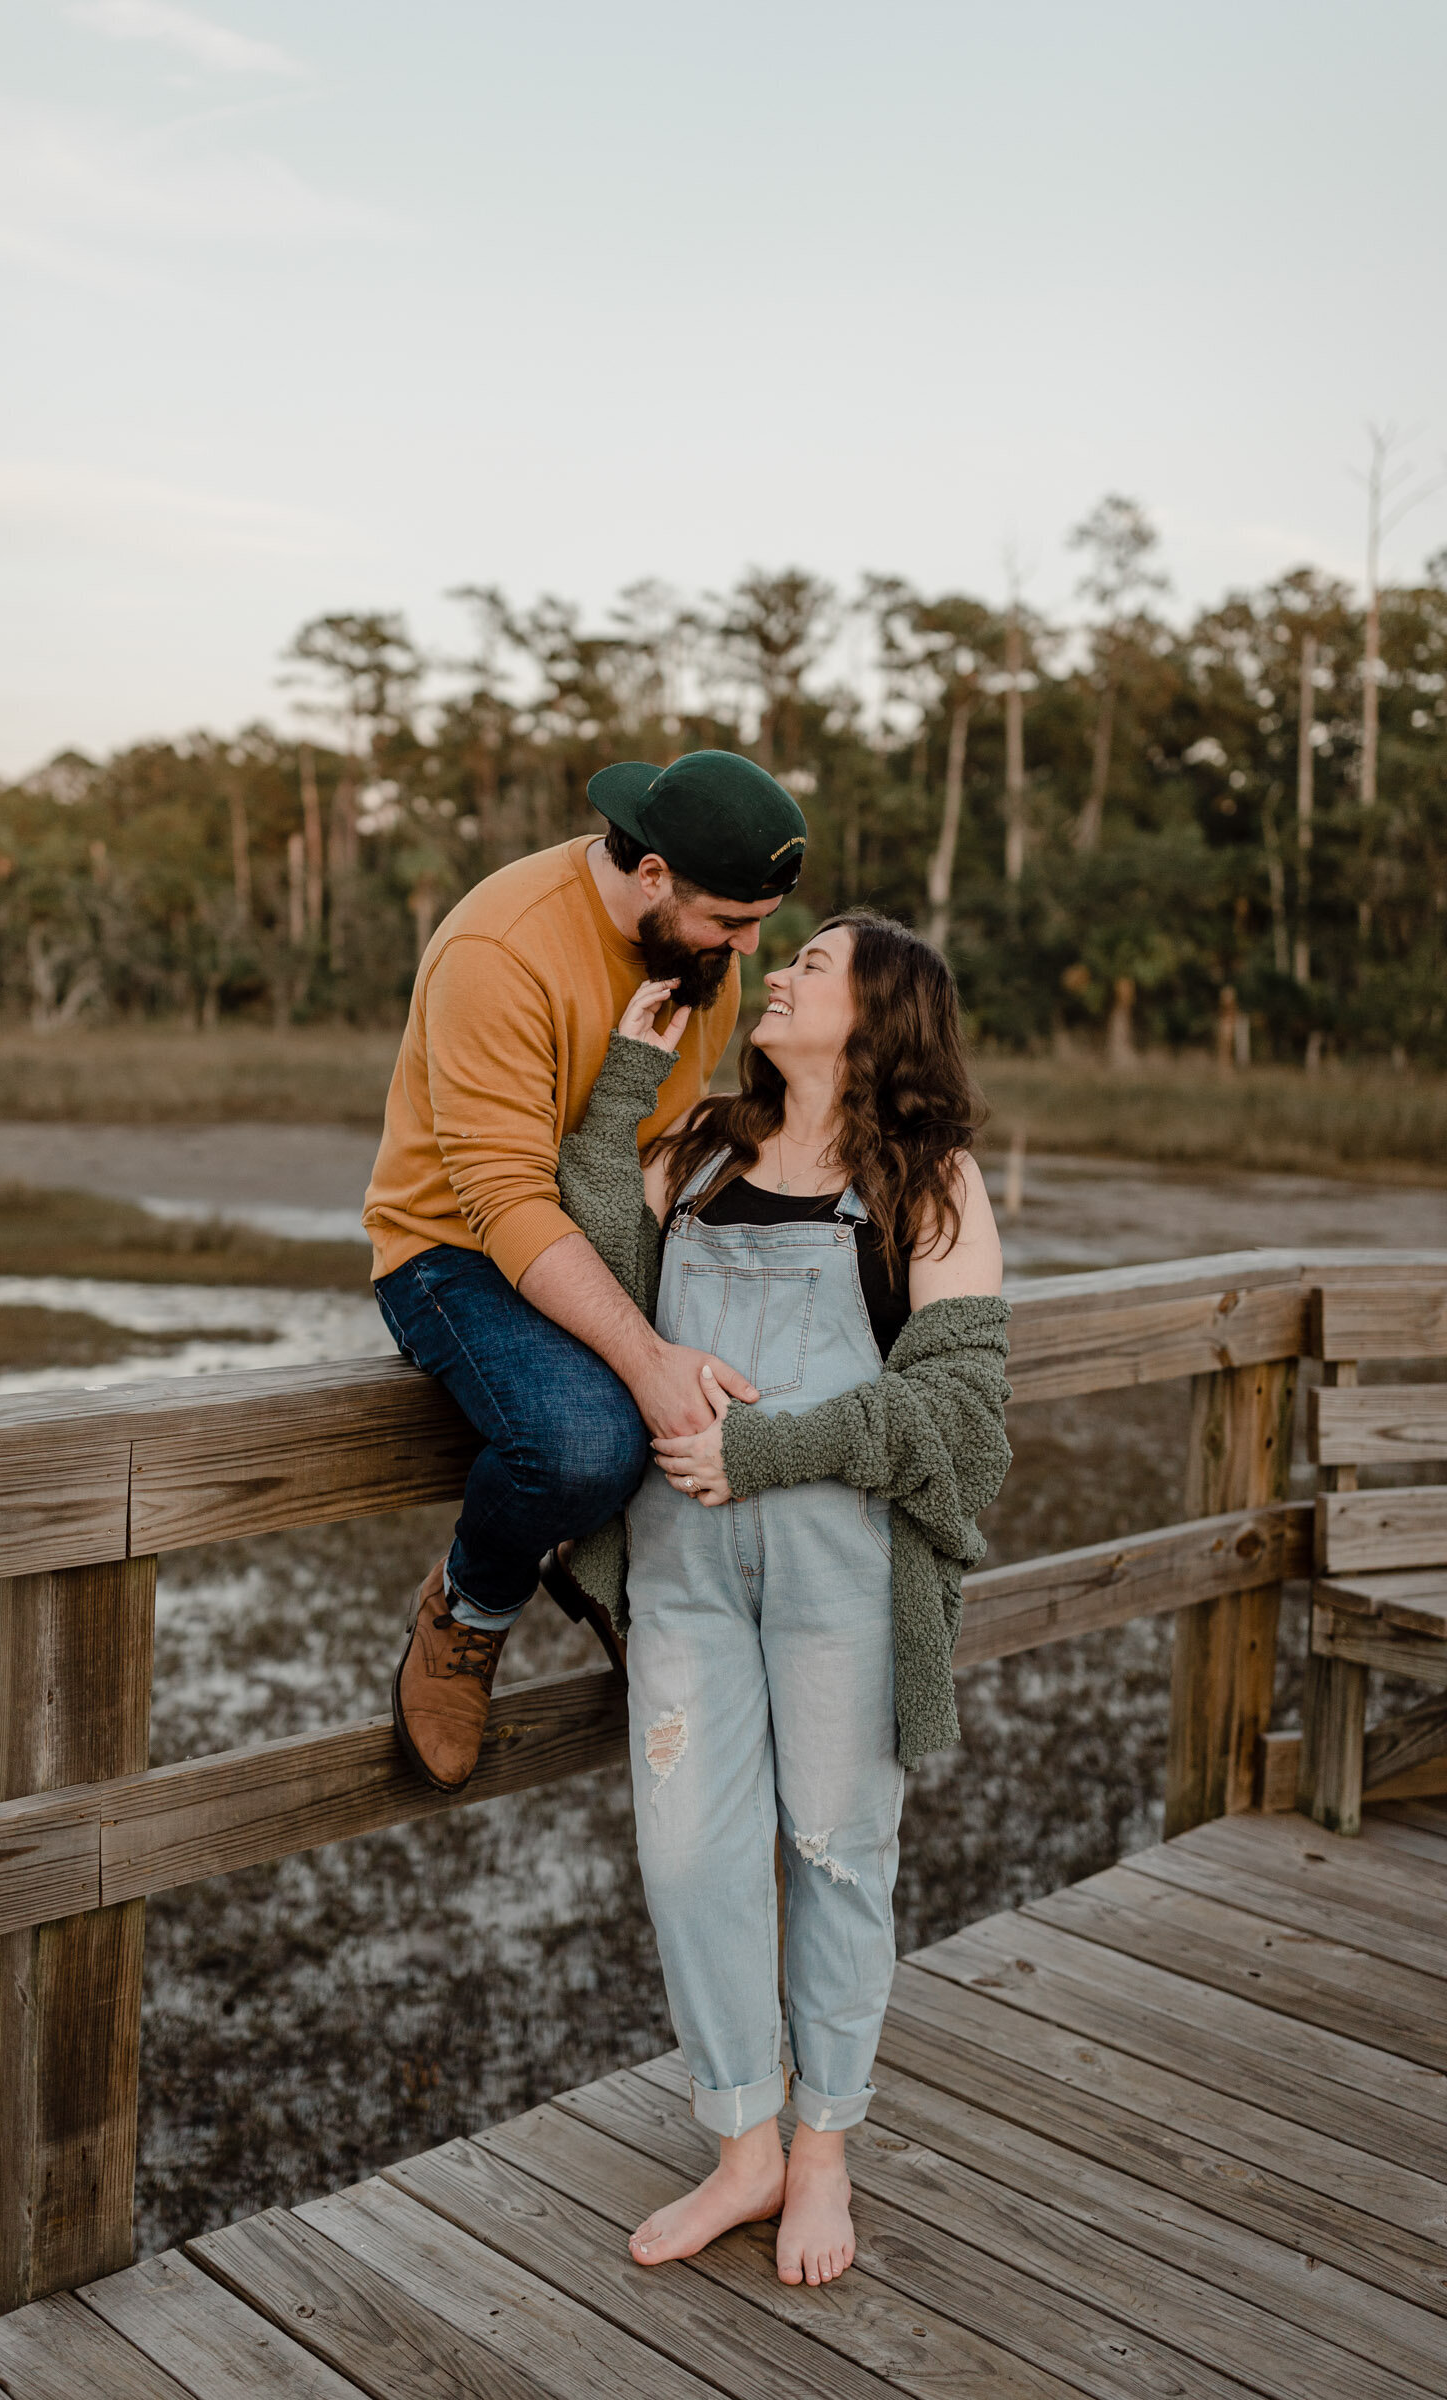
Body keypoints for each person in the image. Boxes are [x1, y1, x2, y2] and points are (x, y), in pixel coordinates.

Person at [550, 912, 1011, 2289]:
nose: (789, 971)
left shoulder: (932, 1186)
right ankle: (740, 2146)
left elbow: (963, 1417)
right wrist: (628, 1088)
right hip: (681, 1569)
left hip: (844, 1574)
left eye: (821, 962)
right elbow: (591, 1268)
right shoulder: (694, 1150)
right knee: (690, 1856)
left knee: (834, 1853)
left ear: (880, 1016)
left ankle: (821, 2152)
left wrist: (765, 1450)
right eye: (790, 953)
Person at [364, 749, 809, 1792]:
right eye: (734, 922)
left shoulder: (703, 954)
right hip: (454, 1248)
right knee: (580, 1440)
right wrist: (646, 1357)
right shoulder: (500, 951)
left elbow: (663, 1142)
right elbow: (504, 1199)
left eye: (760, 923)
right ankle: (468, 1609)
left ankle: (627, 1584)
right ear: (651, 876)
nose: (752, 950)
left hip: (610, 1220)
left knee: (766, 1388)